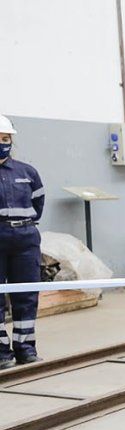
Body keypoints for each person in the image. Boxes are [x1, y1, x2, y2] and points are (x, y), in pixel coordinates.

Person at [0, 114, 45, 368]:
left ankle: (25, 348)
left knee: (26, 295)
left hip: (26, 238)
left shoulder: (27, 172)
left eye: (6, 138)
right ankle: (1, 352)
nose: (2, 143)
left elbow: (38, 204)